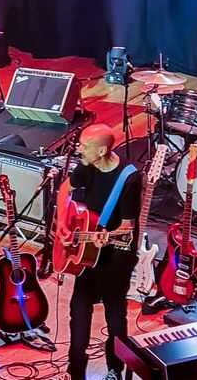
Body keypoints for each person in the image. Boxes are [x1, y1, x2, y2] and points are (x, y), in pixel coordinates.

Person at [59, 124, 141, 380]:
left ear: (102, 151)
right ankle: (75, 371)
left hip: (116, 254)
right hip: (87, 251)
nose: (79, 149)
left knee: (114, 315)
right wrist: (62, 223)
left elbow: (127, 228)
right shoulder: (87, 164)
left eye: (85, 146)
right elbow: (65, 189)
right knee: (78, 312)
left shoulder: (129, 177)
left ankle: (115, 369)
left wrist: (106, 236)